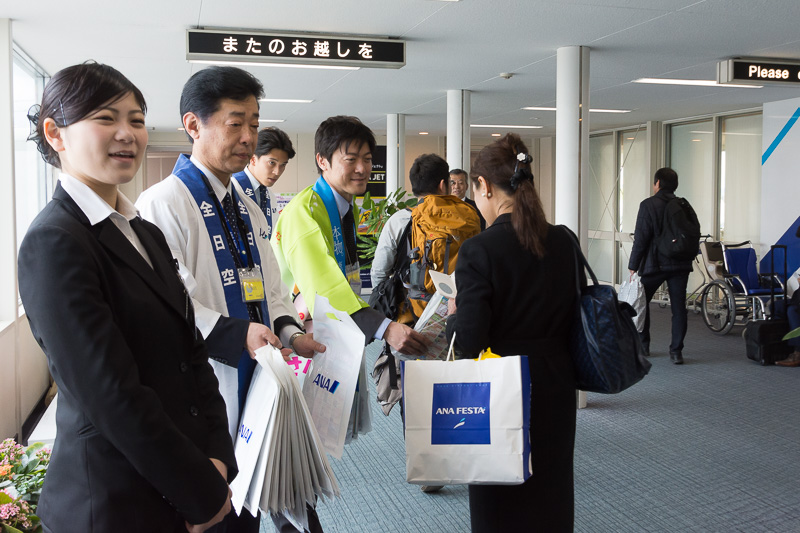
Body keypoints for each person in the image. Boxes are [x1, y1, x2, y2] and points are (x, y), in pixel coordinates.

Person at [18, 62, 234, 533]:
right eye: (105, 118)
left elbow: (191, 350)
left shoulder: (144, 232)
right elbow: (111, 395)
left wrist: (219, 453)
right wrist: (199, 490)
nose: (127, 133)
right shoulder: (55, 242)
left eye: (136, 120)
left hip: (183, 478)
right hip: (114, 502)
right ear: (55, 134)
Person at [136, 66, 325, 533]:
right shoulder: (162, 203)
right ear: (193, 125)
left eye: (254, 124)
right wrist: (238, 333)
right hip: (208, 384)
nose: (248, 137)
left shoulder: (247, 207)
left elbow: (272, 286)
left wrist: (290, 332)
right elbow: (170, 302)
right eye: (235, 123)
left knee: (251, 506)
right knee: (216, 509)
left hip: (258, 380)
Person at [445, 133, 580, 532]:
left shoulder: (479, 250)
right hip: (556, 382)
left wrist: (454, 315)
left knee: (499, 500)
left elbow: (468, 341)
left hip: (499, 386)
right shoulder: (564, 240)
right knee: (551, 488)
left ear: (484, 186)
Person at [271, 115, 428, 356]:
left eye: (367, 159)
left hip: (335, 331)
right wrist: (384, 328)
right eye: (351, 160)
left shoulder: (344, 205)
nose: (362, 169)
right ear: (322, 161)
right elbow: (322, 284)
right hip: (300, 336)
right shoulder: (304, 212)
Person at [628, 167, 693, 364]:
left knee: (641, 303)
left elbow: (641, 237)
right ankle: (676, 352)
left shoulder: (648, 205)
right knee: (679, 308)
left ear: (657, 183)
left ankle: (644, 345)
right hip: (680, 264)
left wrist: (633, 264)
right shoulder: (683, 205)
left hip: (655, 264)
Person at [232, 127, 295, 239]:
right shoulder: (233, 187)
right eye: (272, 163)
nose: (277, 172)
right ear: (253, 159)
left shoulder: (270, 196)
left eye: (283, 165)